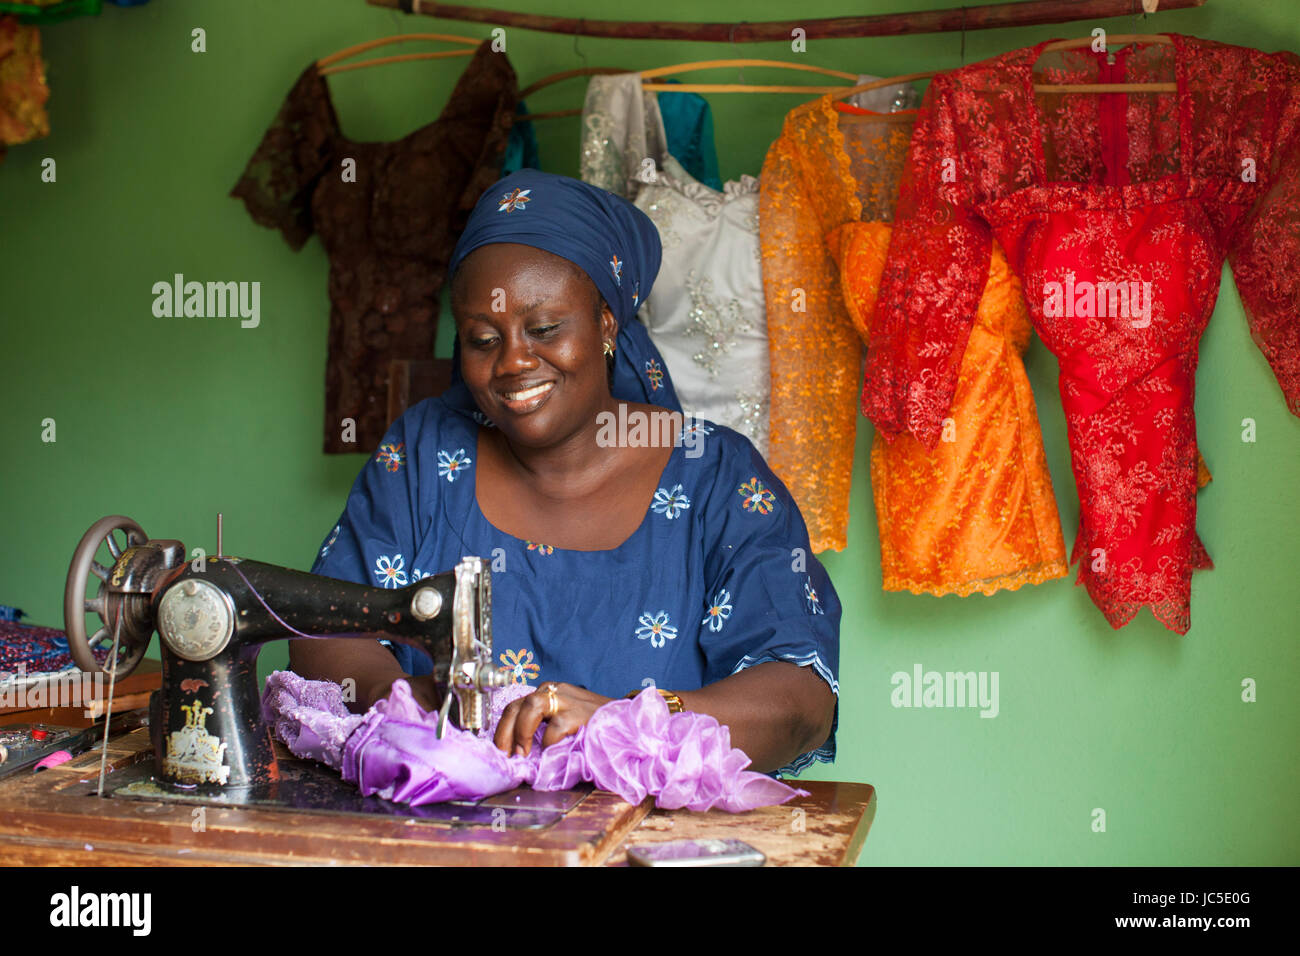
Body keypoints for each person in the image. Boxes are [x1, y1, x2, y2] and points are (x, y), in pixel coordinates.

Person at [292, 169, 840, 776]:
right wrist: (410, 704)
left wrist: (631, 722)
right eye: (481, 338)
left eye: (545, 329)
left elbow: (802, 700)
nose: (513, 363)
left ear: (606, 323)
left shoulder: (716, 478)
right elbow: (328, 629)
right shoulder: (424, 455)